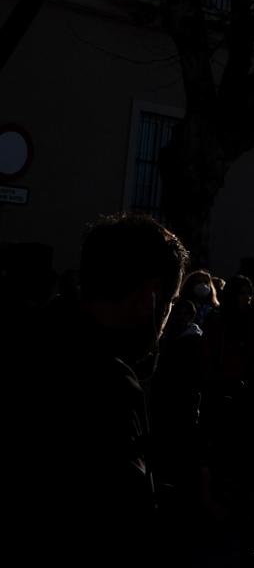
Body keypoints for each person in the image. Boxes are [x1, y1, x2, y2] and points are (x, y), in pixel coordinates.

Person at [11, 214, 188, 562]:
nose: (164, 323)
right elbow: (121, 518)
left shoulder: (34, 338)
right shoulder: (109, 385)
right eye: (169, 304)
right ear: (151, 297)